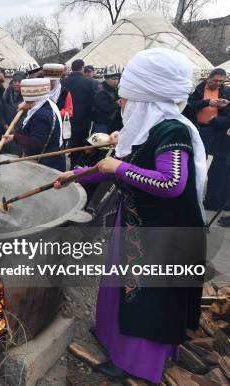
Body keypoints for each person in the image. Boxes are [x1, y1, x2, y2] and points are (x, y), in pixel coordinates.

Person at [54, 48, 207, 383]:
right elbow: (112, 168)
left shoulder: (172, 131)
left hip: (160, 235)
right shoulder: (146, 128)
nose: (121, 103)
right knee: (119, 289)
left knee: (146, 300)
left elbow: (172, 183)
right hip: (136, 224)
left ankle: (137, 364)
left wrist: (119, 166)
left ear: (146, 99)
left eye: (126, 97)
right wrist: (75, 175)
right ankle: (114, 342)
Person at [186, 68, 230, 213]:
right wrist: (207, 103)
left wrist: (219, 116)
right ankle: (193, 195)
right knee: (198, 164)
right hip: (200, 130)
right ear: (208, 78)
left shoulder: (225, 91)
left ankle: (212, 200)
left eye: (221, 81)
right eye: (215, 80)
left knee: (218, 168)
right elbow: (189, 107)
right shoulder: (199, 89)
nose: (218, 83)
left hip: (218, 132)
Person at [3, 78, 65, 171]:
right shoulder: (47, 102)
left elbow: (36, 144)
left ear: (36, 100)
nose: (27, 105)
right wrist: (27, 103)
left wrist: (14, 137)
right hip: (54, 156)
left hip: (48, 163)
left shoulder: (40, 115)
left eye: (29, 102)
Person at [62, 59, 98, 167]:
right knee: (80, 144)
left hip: (66, 117)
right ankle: (75, 166)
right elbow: (93, 101)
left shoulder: (63, 81)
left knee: (64, 141)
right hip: (83, 119)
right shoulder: (89, 82)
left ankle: (62, 165)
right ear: (82, 67)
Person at [92, 65, 123, 135]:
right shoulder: (100, 90)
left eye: (117, 78)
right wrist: (117, 103)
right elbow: (104, 107)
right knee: (99, 143)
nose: (116, 81)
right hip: (102, 123)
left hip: (115, 123)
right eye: (113, 79)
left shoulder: (116, 89)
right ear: (106, 78)